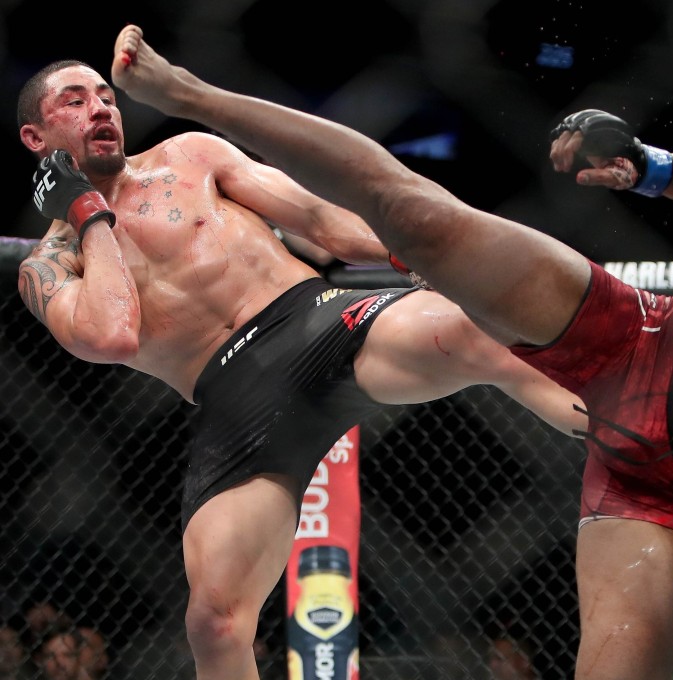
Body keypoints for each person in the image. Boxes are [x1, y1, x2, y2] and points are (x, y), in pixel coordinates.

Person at [108, 24, 673, 680]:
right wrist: (654, 168)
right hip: (648, 339)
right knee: (419, 218)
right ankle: (194, 90)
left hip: (661, 487)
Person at [17, 49, 588, 680]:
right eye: (75, 100)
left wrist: (416, 257)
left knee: (476, 333)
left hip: (315, 323)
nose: (100, 107)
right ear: (35, 138)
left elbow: (319, 220)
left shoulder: (189, 156)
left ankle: (634, 441)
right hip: (232, 399)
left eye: (105, 95)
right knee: (214, 621)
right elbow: (114, 336)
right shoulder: (47, 266)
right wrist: (85, 212)